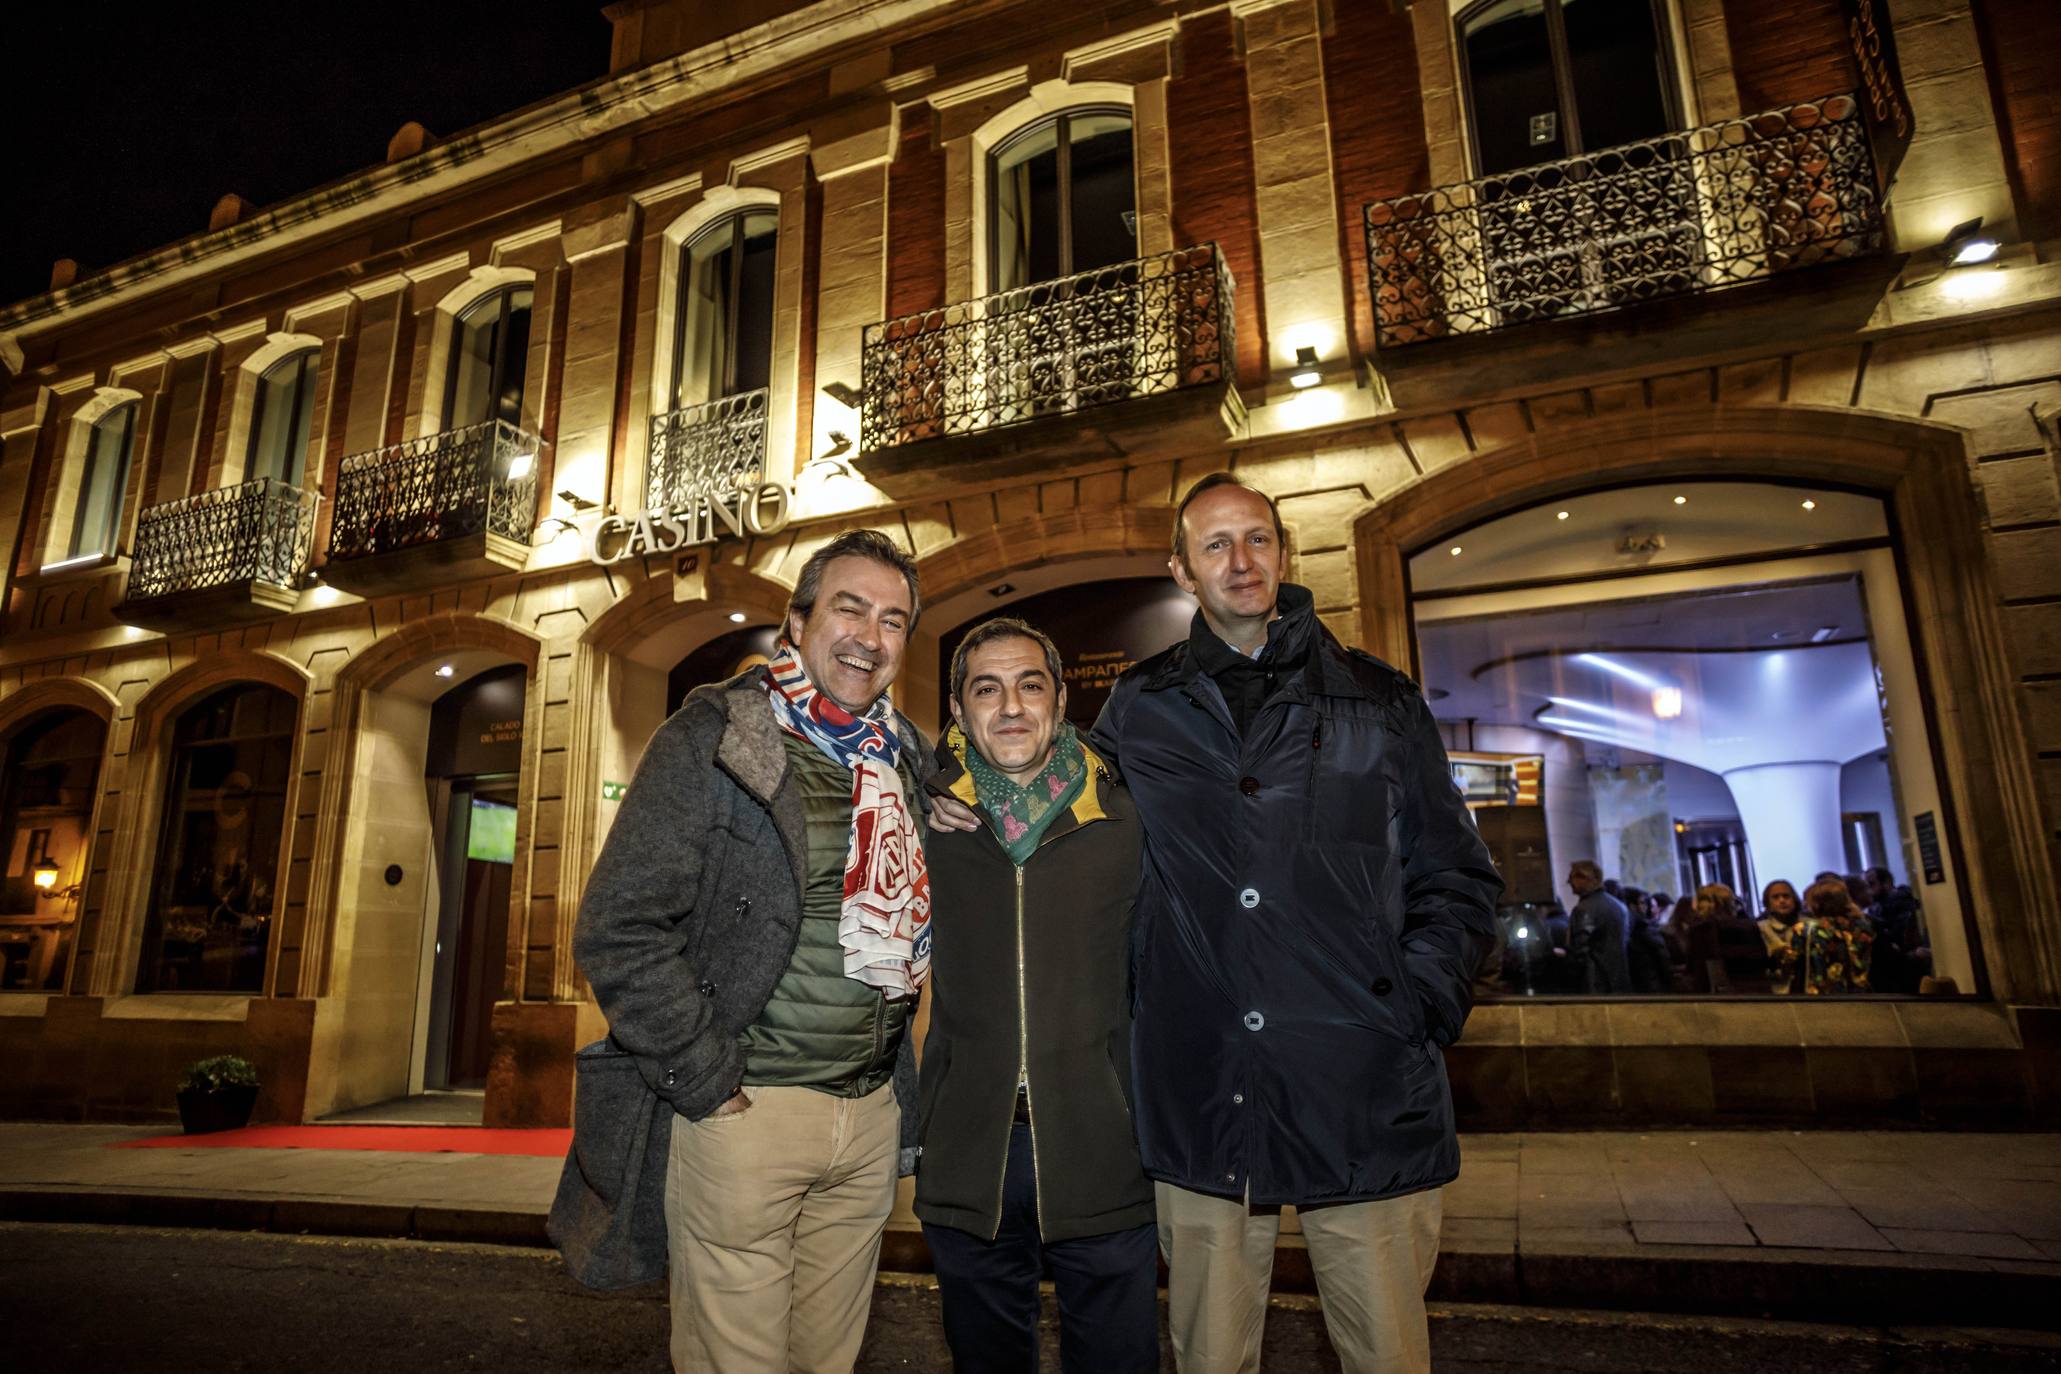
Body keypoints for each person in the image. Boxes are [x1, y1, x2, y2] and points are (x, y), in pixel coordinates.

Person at [940, 473, 1500, 1373]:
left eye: (1256, 540)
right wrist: (944, 786)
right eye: (1214, 545)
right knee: (1208, 1356)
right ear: (1181, 569)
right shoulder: (1137, 705)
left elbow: (1456, 877)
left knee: (1384, 1352)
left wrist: (1415, 1008)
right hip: (1203, 1094)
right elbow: (1035, 784)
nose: (1240, 562)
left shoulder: (1379, 701)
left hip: (1359, 1087)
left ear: (1282, 552)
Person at [552, 530, 933, 1372]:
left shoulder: (904, 759)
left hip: (867, 1114)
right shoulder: (716, 738)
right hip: (747, 1111)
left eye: (893, 619)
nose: (869, 636)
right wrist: (707, 1081)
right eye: (849, 608)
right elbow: (618, 926)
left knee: (825, 1361)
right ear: (795, 623)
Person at [918, 617, 1158, 1373]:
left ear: (1059, 698)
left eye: (1029, 685)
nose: (1010, 706)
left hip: (1103, 1142)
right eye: (986, 690)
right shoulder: (920, 819)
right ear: (958, 711)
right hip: (970, 1149)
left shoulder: (1128, 813)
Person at [1783, 877, 1876, 995]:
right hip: (1860, 994)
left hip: (1819, 995)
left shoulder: (1806, 929)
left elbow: (1790, 962)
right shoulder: (1865, 926)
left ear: (1816, 904)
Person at [1685, 883, 1771, 993]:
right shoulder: (1749, 926)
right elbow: (1761, 958)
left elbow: (1698, 969)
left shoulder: (1701, 930)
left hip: (1717, 992)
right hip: (1753, 991)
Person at [1565, 861, 1632, 994]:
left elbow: (1581, 951)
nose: (1570, 882)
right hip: (1619, 979)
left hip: (1595, 982)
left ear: (1592, 879)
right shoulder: (1619, 906)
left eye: (1576, 877)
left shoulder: (1584, 909)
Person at [1623, 887, 1673, 995]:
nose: (1645, 907)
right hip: (1651, 982)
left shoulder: (1625, 928)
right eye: (1641, 902)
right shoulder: (1645, 928)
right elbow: (1662, 957)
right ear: (1632, 905)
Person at [1757, 880, 1804, 992]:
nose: (1782, 900)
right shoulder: (1759, 929)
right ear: (1767, 903)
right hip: (1777, 991)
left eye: (1786, 896)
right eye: (1776, 897)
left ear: (1795, 899)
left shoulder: (1808, 926)